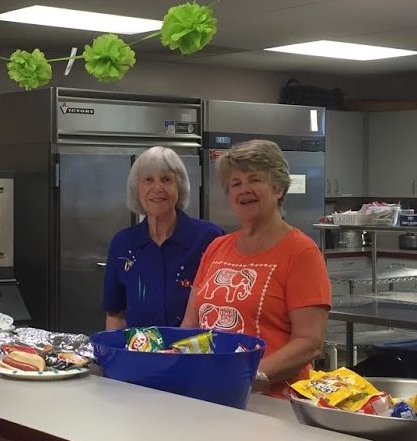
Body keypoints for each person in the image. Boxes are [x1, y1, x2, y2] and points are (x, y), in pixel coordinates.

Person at [182, 139, 331, 395]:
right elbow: (191, 324)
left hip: (274, 404)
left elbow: (309, 342)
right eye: (235, 183)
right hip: (210, 394)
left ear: (278, 187)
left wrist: (249, 376)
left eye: (255, 180)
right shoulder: (216, 248)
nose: (244, 189)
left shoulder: (301, 252)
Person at [102, 147, 222, 330]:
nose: (157, 188)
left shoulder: (209, 238)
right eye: (148, 180)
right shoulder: (122, 243)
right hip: (139, 355)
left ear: (179, 187)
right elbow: (115, 314)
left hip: (196, 355)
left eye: (166, 180)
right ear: (136, 189)